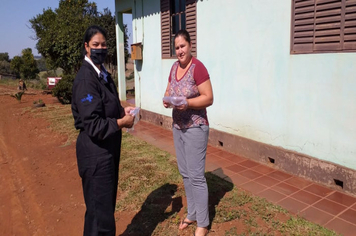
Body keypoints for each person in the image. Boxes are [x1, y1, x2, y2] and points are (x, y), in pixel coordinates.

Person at [71, 25, 135, 236]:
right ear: (86, 47)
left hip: (107, 150)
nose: (101, 48)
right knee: (100, 217)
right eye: (96, 45)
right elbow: (93, 124)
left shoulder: (102, 73)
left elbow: (108, 105)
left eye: (104, 44)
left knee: (103, 210)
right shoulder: (85, 79)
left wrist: (121, 110)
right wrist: (121, 123)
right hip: (95, 153)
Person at [163, 29, 213, 236]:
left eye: (183, 46)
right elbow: (168, 90)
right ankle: (192, 213)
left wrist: (188, 103)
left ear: (190, 45)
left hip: (195, 127)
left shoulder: (197, 67)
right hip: (178, 127)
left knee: (196, 176)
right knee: (185, 174)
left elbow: (209, 97)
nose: (180, 51)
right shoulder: (174, 67)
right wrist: (167, 100)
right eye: (177, 47)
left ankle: (203, 223)